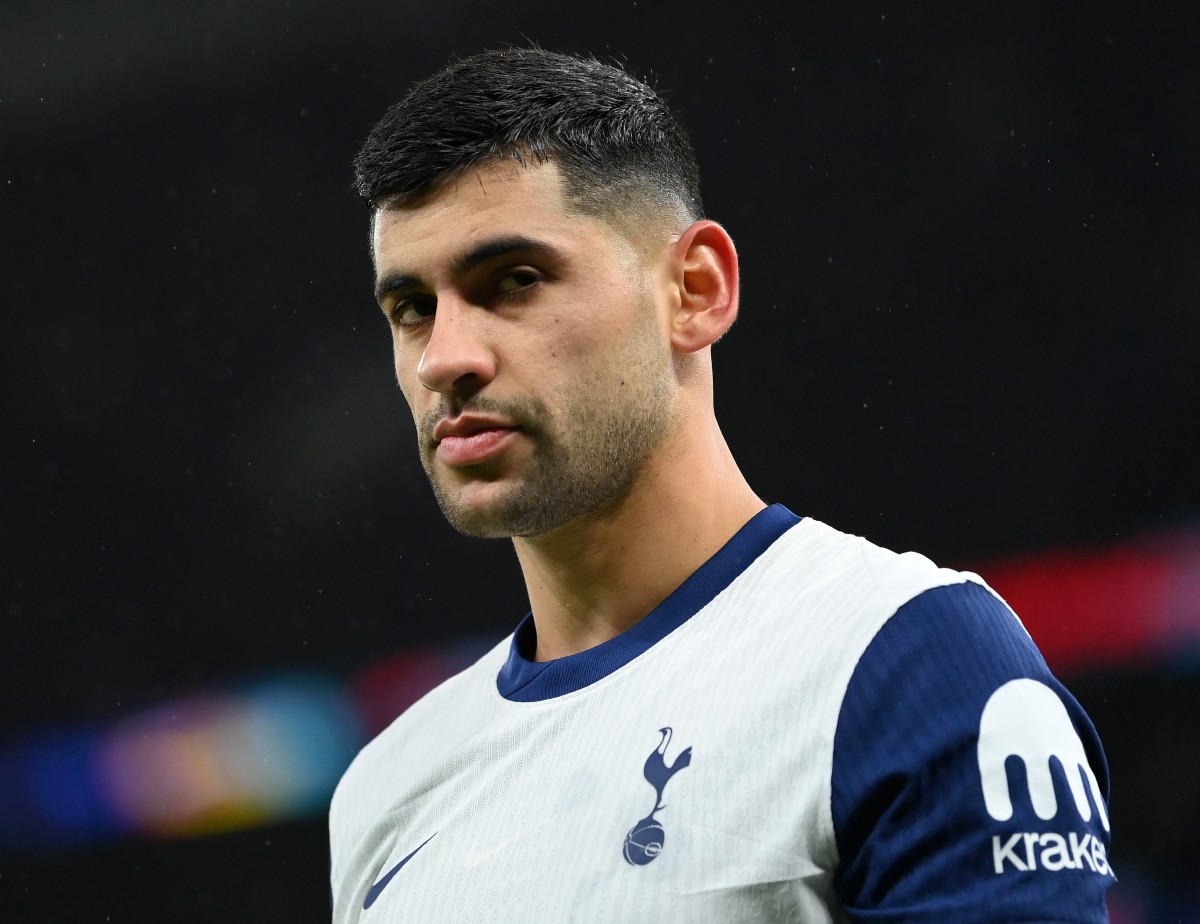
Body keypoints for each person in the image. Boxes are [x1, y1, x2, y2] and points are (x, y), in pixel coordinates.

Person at [329, 47, 1114, 922]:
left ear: (695, 290)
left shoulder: (904, 661)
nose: (445, 358)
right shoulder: (386, 787)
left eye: (513, 282)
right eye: (411, 309)